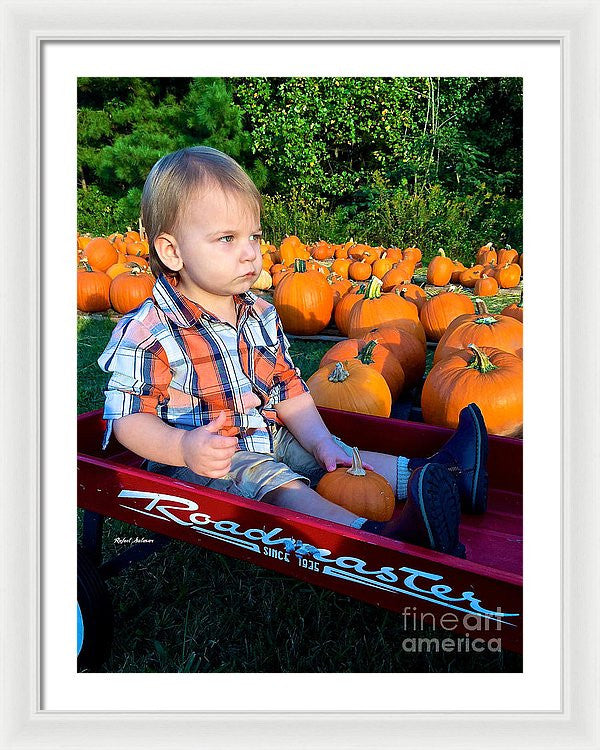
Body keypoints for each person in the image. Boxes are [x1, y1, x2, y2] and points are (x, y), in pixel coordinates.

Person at [98, 146, 488, 559]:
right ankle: (376, 539)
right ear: (172, 252)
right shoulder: (149, 330)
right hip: (202, 461)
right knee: (276, 481)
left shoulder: (260, 312)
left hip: (267, 434)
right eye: (227, 239)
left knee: (333, 454)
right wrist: (183, 448)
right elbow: (128, 420)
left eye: (255, 236)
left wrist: (321, 442)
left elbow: (287, 388)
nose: (250, 252)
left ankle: (447, 475)